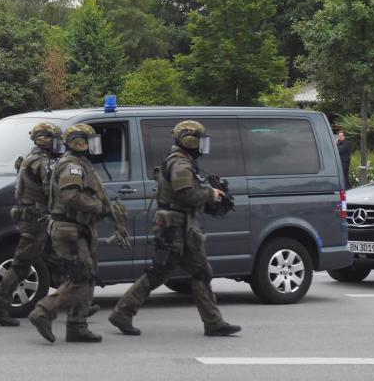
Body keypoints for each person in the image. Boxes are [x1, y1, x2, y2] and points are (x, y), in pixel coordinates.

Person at [109, 120, 241, 337]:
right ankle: (122, 313)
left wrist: (209, 199)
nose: (202, 146)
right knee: (160, 271)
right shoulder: (180, 163)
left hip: (182, 227)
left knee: (200, 271)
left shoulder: (183, 161)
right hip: (174, 227)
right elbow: (186, 194)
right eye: (199, 141)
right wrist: (210, 194)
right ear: (189, 141)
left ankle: (214, 322)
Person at [28, 124, 109, 344]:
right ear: (79, 142)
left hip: (77, 228)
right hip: (69, 229)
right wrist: (97, 206)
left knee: (86, 275)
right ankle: (43, 312)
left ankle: (77, 326)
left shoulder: (79, 163)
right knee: (81, 277)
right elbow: (71, 196)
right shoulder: (72, 166)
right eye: (89, 141)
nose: (93, 146)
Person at [0, 122, 65, 326]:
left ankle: (76, 302)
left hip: (38, 219)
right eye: (55, 140)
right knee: (21, 266)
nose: (59, 145)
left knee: (59, 259)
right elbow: (53, 190)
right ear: (44, 140)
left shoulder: (31, 158)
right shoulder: (41, 162)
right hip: (35, 221)